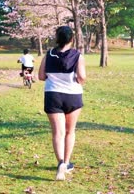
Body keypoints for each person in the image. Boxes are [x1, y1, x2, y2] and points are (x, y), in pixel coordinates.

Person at [38, 26, 86, 181]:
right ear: (72, 39)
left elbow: (40, 76)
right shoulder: (77, 55)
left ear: (57, 38)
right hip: (73, 96)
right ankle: (66, 162)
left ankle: (60, 163)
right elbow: (81, 77)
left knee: (57, 133)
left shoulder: (49, 54)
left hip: (53, 96)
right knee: (69, 131)